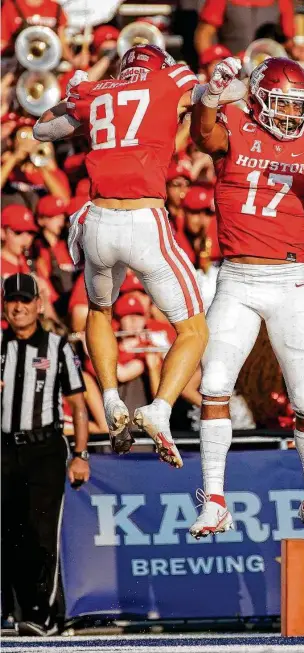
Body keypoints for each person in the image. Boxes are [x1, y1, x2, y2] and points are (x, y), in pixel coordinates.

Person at [33, 45, 242, 466]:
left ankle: (111, 396)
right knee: (193, 331)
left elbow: (43, 130)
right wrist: (218, 84)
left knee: (99, 311)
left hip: (96, 220)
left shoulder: (99, 91)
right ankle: (160, 409)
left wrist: (74, 93)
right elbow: (231, 91)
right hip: (144, 218)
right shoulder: (168, 80)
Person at [188, 55, 304, 556]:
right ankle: (215, 498)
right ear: (259, 98)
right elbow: (204, 136)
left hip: (288, 278)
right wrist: (211, 97)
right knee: (214, 384)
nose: (288, 115)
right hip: (238, 276)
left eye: (296, 106)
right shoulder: (236, 123)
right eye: (280, 104)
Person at [1, 273, 89, 637]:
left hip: (45, 449)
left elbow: (78, 404)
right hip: (5, 448)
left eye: (25, 299)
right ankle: (18, 611)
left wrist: (81, 454)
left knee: (41, 532)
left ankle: (45, 613)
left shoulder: (57, 347)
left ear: (39, 304)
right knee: (9, 532)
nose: (18, 306)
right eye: (11, 300)